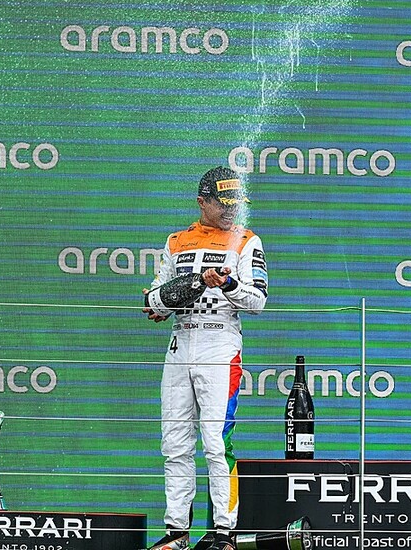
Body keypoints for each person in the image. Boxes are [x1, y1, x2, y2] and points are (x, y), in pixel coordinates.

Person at [143, 167, 268, 550]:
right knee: (174, 443)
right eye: (223, 204)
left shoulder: (246, 240)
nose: (231, 211)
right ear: (202, 202)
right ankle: (177, 533)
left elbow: (258, 301)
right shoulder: (177, 241)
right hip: (180, 343)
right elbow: (155, 299)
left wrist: (227, 283)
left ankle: (224, 534)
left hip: (220, 344)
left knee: (216, 442)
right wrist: (171, 297)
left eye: (235, 204)